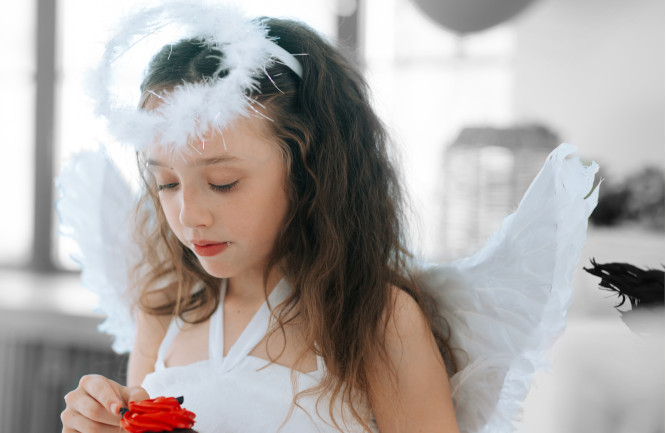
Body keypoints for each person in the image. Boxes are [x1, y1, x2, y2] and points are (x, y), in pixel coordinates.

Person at [57, 2, 598, 432]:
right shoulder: (168, 308)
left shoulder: (377, 321)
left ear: (308, 167)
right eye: (166, 184)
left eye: (223, 183)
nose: (188, 214)